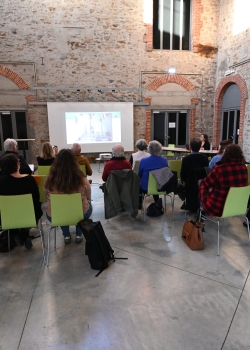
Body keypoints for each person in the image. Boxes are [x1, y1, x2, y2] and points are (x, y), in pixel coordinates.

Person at [44, 149, 92, 244]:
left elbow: (45, 194)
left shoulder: (50, 179)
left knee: (60, 210)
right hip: (80, 214)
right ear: (74, 161)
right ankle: (78, 234)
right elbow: (88, 196)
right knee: (85, 205)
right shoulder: (81, 178)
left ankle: (66, 235)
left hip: (55, 215)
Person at [0, 154, 42, 249]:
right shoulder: (30, 180)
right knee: (35, 208)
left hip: (7, 217)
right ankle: (24, 233)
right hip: (29, 216)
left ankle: (17, 233)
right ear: (18, 165)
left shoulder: (1, 182)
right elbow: (36, 199)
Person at [200, 144, 248, 217]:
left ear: (225, 154)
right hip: (237, 206)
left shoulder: (219, 169)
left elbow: (206, 183)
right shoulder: (244, 168)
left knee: (201, 183)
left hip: (217, 208)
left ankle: (201, 212)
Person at [138, 140, 168, 208]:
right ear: (160, 149)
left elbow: (139, 175)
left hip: (146, 188)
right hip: (161, 187)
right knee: (155, 182)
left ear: (149, 149)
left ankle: (139, 204)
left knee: (139, 184)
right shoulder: (165, 160)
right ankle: (157, 202)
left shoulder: (143, 160)